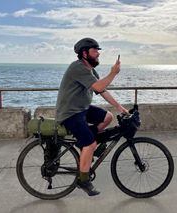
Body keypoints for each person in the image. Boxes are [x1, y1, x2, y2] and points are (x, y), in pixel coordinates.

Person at [56, 37, 128, 196]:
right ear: (84, 53)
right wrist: (113, 73)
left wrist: (119, 107)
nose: (98, 54)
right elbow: (99, 85)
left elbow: (102, 90)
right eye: (95, 51)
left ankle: (86, 144)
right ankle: (83, 180)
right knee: (90, 143)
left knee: (108, 117)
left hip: (81, 109)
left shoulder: (90, 69)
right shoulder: (78, 68)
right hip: (69, 113)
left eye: (98, 51)